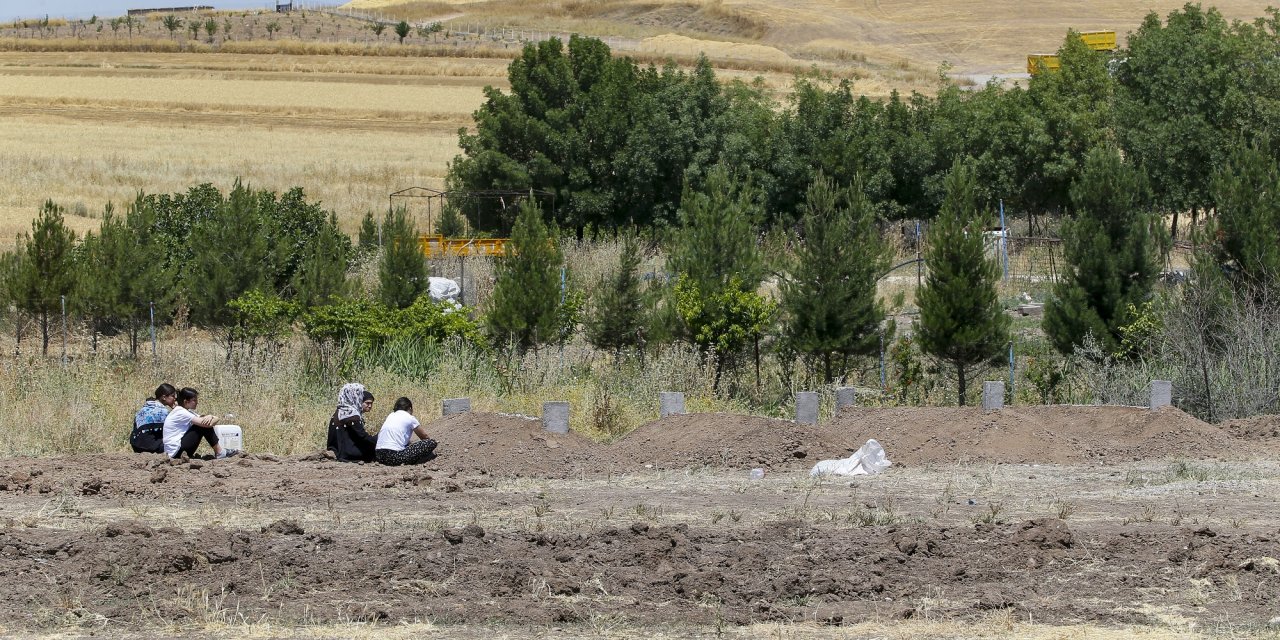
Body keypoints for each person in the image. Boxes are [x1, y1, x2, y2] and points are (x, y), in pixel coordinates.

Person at [163, 387, 235, 459]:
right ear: (186, 402)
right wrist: (211, 417)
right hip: (175, 453)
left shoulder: (186, 411)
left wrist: (211, 417)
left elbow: (206, 419)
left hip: (177, 451)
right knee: (201, 426)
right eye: (194, 400)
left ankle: (219, 452)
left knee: (203, 424)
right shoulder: (181, 412)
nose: (197, 402)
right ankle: (219, 452)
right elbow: (207, 424)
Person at [374, 397, 437, 466]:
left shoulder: (391, 415)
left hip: (379, 456)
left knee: (407, 445)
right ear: (410, 408)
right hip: (394, 457)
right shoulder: (410, 418)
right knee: (431, 442)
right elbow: (424, 437)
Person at [326, 383, 377, 463]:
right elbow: (362, 436)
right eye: (359, 394)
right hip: (348, 453)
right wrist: (377, 440)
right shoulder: (351, 414)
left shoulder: (340, 412)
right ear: (354, 396)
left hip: (338, 450)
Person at [131, 383, 177, 454]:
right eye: (173, 396)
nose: (175, 399)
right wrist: (176, 410)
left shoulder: (144, 408)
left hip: (135, 445)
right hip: (149, 446)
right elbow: (172, 429)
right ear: (164, 397)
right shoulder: (163, 411)